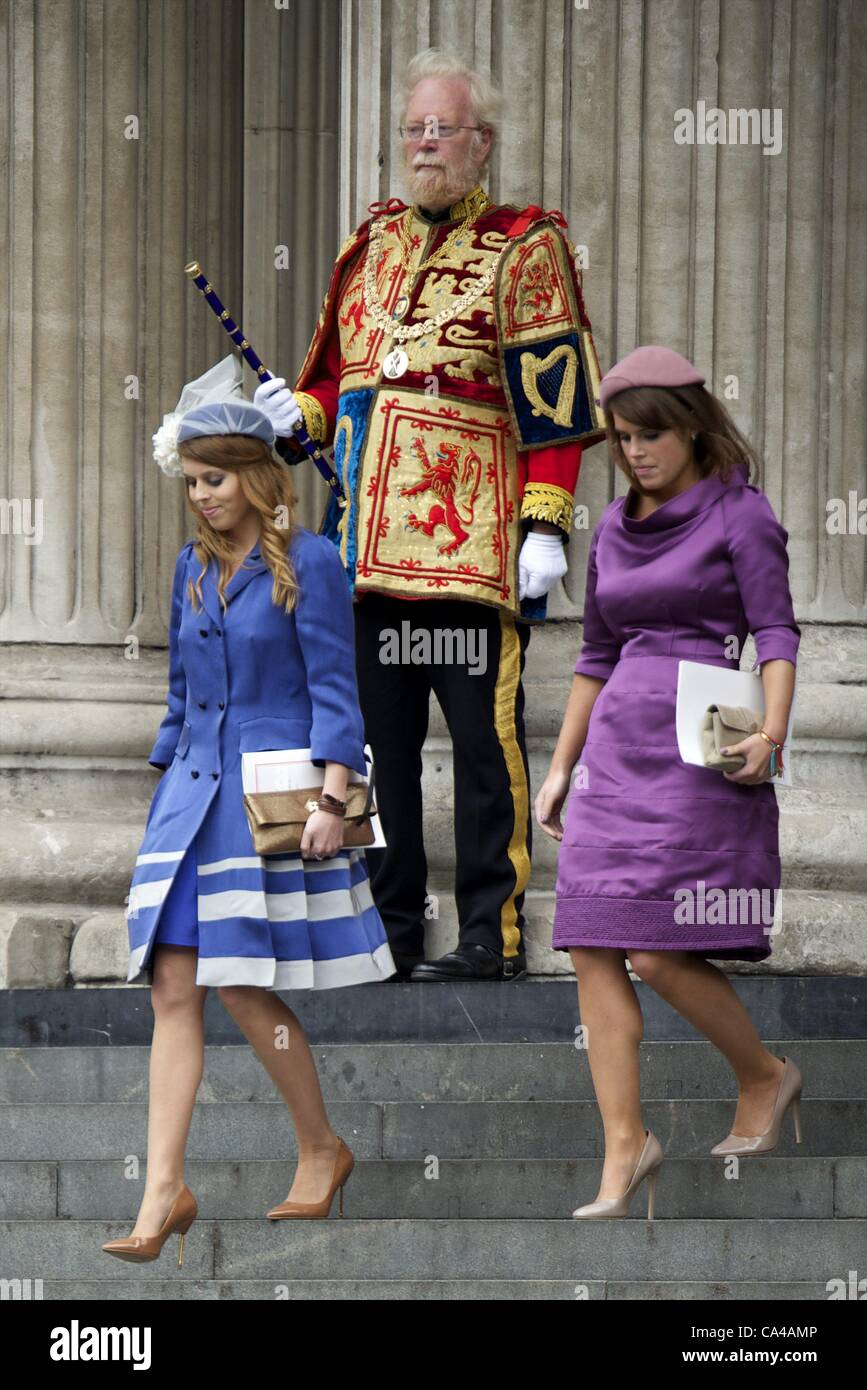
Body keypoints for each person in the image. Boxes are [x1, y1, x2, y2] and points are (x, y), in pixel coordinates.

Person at [253, 47, 607, 982]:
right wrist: (300, 417)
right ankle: (393, 927)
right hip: (364, 552)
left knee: (484, 748)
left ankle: (492, 930)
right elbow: (333, 378)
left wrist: (545, 521)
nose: (423, 146)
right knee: (381, 751)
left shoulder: (528, 245)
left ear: (482, 143)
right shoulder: (367, 246)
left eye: (440, 129)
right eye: (412, 130)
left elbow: (556, 401)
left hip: (471, 551)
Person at [102, 389, 395, 1267]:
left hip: (268, 798)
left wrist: (332, 799)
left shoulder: (310, 561)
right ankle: (161, 1189)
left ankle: (319, 1147)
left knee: (236, 986)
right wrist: (162, 793)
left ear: (259, 476)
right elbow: (182, 697)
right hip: (189, 803)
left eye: (218, 479)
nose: (203, 495)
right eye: (192, 480)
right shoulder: (188, 568)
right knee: (171, 990)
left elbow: (338, 691)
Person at [535, 345, 802, 1219]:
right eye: (620, 438)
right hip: (615, 749)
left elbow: (775, 635)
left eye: (650, 434)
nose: (635, 451)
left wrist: (772, 732)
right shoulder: (612, 526)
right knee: (588, 941)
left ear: (690, 426)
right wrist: (560, 767)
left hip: (699, 746)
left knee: (655, 948)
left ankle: (763, 1076)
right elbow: (595, 655)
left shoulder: (740, 515)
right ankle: (624, 1145)